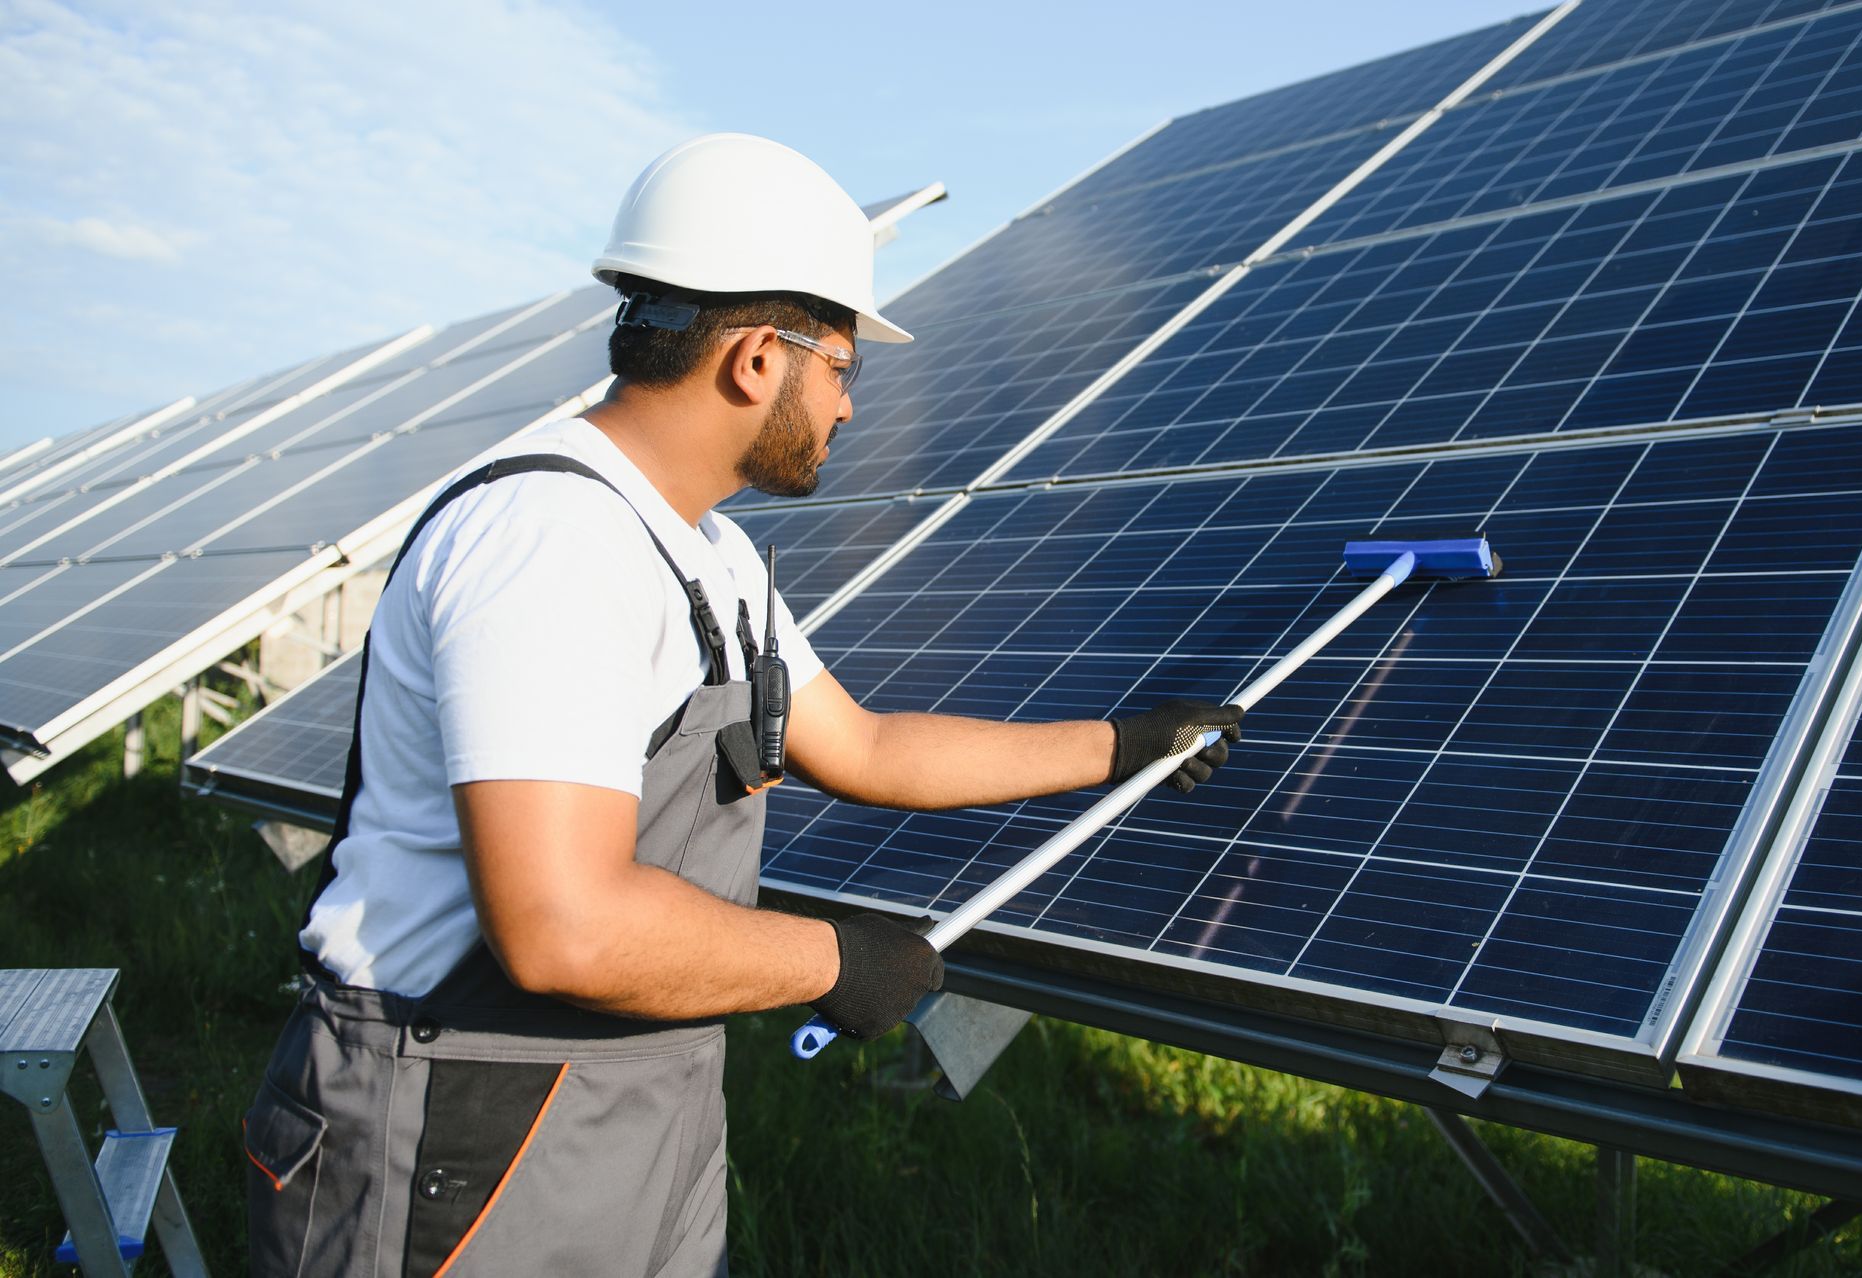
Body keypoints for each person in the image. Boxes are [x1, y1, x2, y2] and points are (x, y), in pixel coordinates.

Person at [243, 132, 1242, 1277]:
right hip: (461, 1111)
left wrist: (1123, 745)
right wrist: (835, 961)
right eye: (844, 369)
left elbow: (866, 747)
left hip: (643, 1090)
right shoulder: (554, 544)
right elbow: (563, 925)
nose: (850, 409)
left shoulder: (709, 557)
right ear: (762, 358)